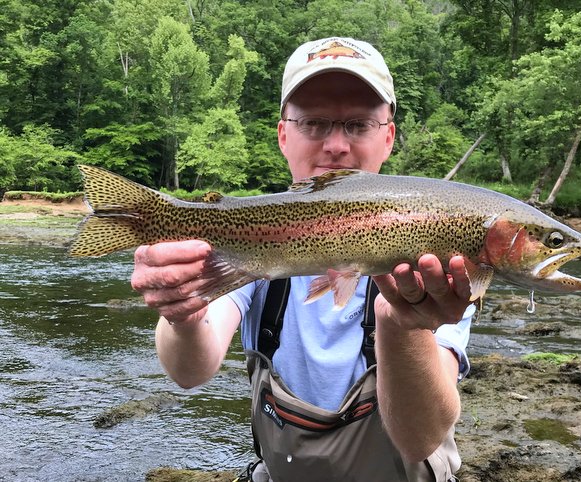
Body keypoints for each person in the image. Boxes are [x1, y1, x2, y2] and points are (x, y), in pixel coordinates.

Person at [131, 37, 474, 482]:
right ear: (283, 135)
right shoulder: (258, 235)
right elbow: (189, 372)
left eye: (357, 125)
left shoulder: (436, 255)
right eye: (314, 123)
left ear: (388, 136)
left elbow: (420, 440)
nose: (335, 145)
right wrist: (182, 312)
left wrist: (402, 323)